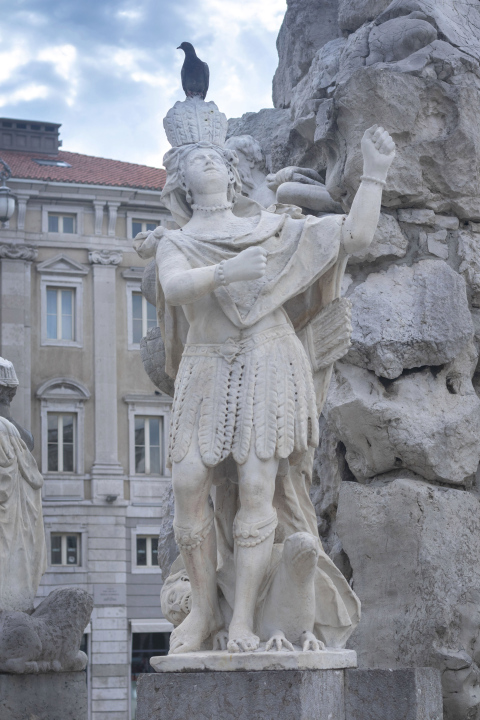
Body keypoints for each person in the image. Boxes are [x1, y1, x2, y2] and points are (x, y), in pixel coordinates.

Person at [150, 124, 395, 654]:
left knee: (257, 488)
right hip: (206, 364)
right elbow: (172, 287)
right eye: (198, 159)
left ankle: (242, 620)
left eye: (219, 157)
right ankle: (202, 609)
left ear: (234, 176)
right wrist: (226, 271)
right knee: (189, 485)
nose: (210, 162)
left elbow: (354, 238)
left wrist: (374, 176)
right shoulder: (177, 239)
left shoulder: (275, 228)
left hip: (270, 359)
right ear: (183, 183)